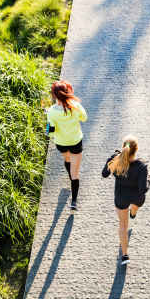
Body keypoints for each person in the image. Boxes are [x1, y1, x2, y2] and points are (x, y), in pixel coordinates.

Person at [102, 135, 149, 266]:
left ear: (123, 147)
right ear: (136, 149)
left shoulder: (115, 160)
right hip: (136, 197)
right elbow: (143, 189)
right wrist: (149, 180)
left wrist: (110, 160)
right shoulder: (141, 166)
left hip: (121, 196)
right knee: (135, 207)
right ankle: (133, 212)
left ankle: (124, 255)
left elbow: (104, 174)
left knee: (123, 225)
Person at [47, 80, 88, 209]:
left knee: (67, 159)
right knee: (75, 173)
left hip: (61, 142)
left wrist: (51, 131)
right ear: (67, 92)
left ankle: (70, 178)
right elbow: (84, 118)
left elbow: (50, 131)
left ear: (54, 95)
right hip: (75, 141)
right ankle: (74, 202)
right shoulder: (75, 106)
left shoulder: (51, 111)